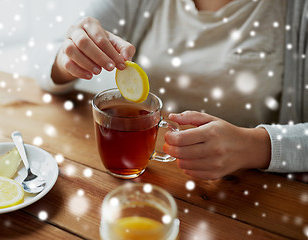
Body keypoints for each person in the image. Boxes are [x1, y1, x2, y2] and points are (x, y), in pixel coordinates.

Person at [34, 0, 308, 179]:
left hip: (253, 193)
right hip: (155, 183)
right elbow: (43, 60)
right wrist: (67, 57)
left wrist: (254, 146)